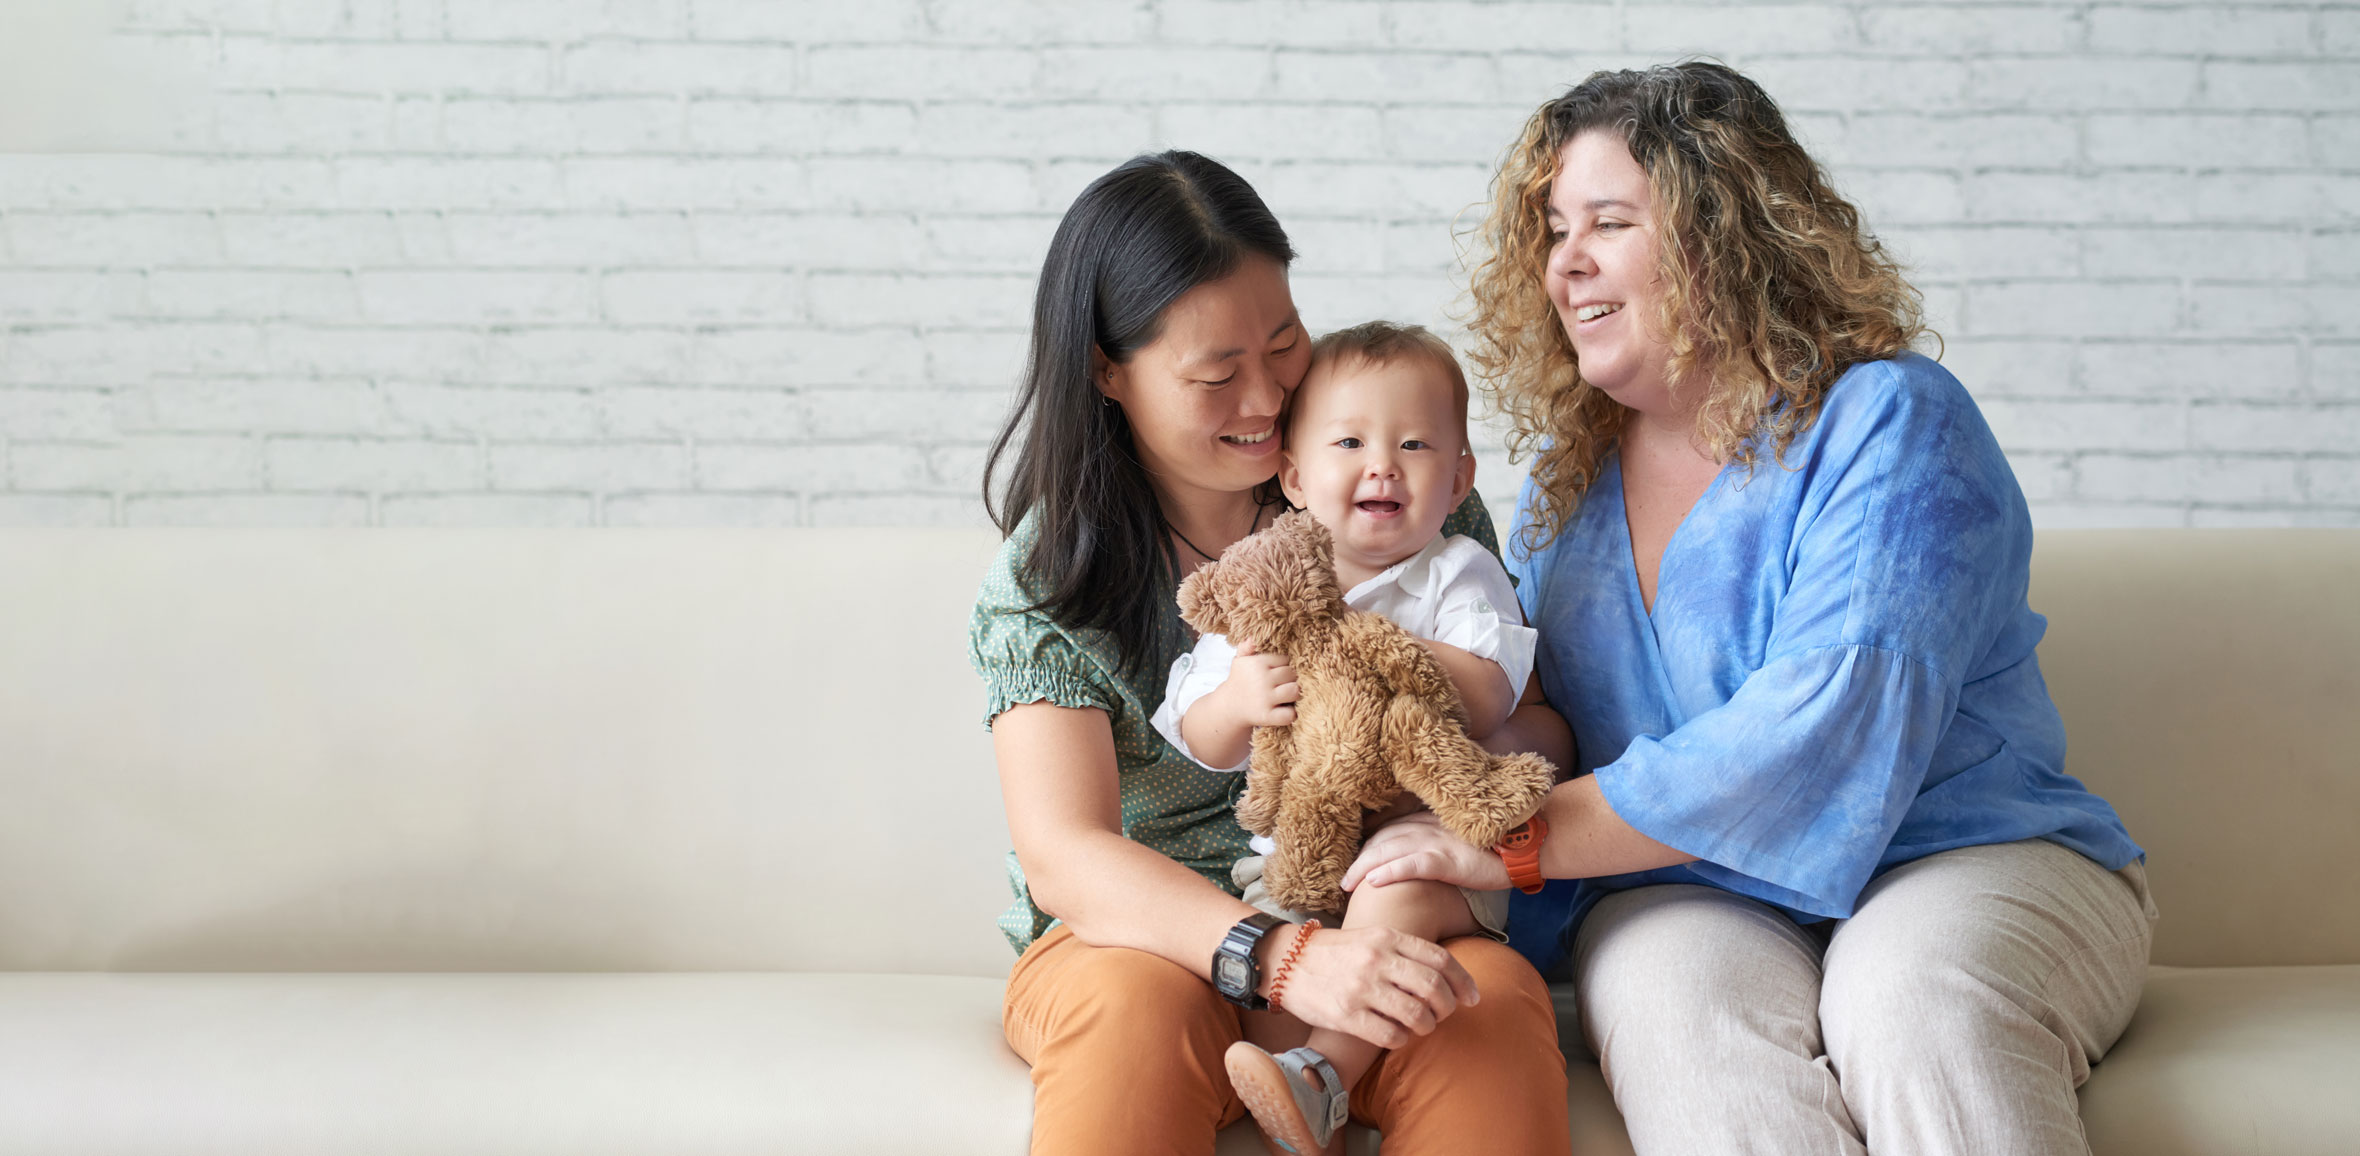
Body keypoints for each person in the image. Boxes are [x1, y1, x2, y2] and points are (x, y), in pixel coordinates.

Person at [1341, 63, 2157, 1156]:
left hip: (1962, 852)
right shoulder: (1558, 494)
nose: (1564, 261)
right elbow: (1539, 714)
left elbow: (1817, 732)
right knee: (1676, 1019)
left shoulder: (1891, 422)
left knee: (1908, 1001)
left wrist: (1511, 839)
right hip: (1685, 887)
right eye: (1553, 231)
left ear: (1722, 234)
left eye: (1608, 222)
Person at [970, 151, 1572, 1156]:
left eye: (1284, 343)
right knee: (1132, 1012)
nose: (1264, 397)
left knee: (1487, 1011)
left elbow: (1540, 726)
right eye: (1216, 375)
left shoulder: (1391, 485)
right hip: (1144, 941)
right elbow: (1065, 853)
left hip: (1379, 903)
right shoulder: (1051, 576)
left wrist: (1421, 753)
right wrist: (1281, 957)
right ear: (1107, 371)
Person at [1148, 321, 1540, 1156]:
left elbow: (1489, 693)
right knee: (1260, 982)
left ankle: (1322, 1074)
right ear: (1294, 477)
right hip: (1296, 856)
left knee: (1392, 885)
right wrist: (1239, 700)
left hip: (1424, 845)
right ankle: (1298, 1096)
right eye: (1351, 443)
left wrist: (1360, 652)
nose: (1383, 465)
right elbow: (1198, 734)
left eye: (1415, 445)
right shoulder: (1269, 578)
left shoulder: (1458, 571)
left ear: (1459, 478)